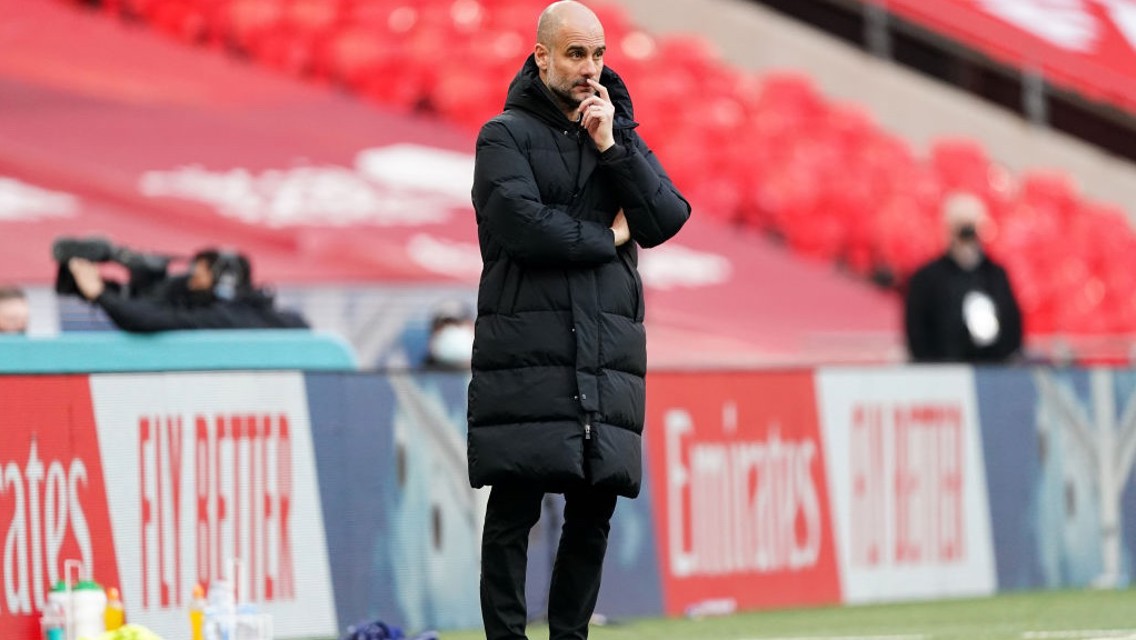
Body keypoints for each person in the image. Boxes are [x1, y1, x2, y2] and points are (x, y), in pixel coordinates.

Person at [466, 2, 690, 638]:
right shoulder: (502, 136)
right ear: (542, 57)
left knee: (593, 514)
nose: (590, 69)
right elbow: (523, 228)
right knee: (515, 509)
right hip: (528, 351)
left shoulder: (616, 132)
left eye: (597, 54)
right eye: (575, 54)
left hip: (607, 354)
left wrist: (612, 146)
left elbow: (668, 216)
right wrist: (610, 236)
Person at [904, 191, 1023, 363]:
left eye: (971, 229)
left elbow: (1012, 329)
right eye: (962, 229)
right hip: (943, 373)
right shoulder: (927, 279)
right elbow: (917, 335)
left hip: (990, 372)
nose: (967, 237)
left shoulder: (995, 276)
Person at [67, 248, 309, 332]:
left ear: (223, 282)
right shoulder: (273, 315)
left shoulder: (222, 317)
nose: (189, 282)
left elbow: (151, 320)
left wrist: (99, 293)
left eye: (197, 276)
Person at [422, 299, 475, 371]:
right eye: (444, 326)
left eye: (457, 324)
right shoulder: (421, 376)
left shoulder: (489, 371)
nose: (451, 330)